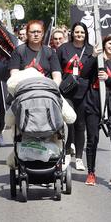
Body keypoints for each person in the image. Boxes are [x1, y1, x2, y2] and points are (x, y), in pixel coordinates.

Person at [57, 21, 93, 171]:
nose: (79, 35)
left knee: (80, 125)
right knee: (69, 122)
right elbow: (57, 69)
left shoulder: (91, 50)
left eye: (82, 32)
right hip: (67, 92)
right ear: (72, 33)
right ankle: (66, 152)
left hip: (84, 92)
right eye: (77, 32)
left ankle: (78, 158)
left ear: (86, 34)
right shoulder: (63, 49)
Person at [81, 35, 111, 185]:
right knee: (92, 139)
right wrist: (93, 56)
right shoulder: (97, 59)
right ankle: (91, 173)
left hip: (110, 105)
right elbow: (84, 73)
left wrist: (108, 78)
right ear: (105, 44)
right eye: (110, 43)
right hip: (93, 104)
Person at [9, 20, 62, 85]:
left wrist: (52, 88)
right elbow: (14, 75)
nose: (36, 34)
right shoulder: (18, 51)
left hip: (46, 91)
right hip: (25, 90)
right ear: (27, 34)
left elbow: (57, 76)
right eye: (33, 32)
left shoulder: (50, 52)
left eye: (39, 32)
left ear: (42, 34)